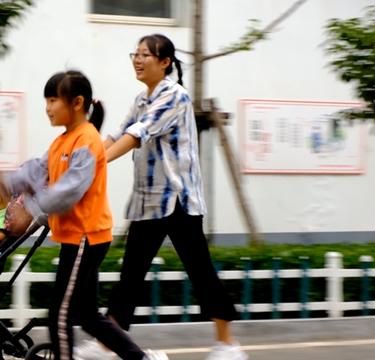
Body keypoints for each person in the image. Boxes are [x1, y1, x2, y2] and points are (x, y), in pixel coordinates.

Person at [75, 34, 248, 360]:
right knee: (130, 274)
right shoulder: (141, 99)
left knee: (201, 272)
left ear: (165, 61)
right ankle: (106, 344)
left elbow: (137, 134)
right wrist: (85, 158)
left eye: (145, 55)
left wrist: (96, 163)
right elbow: (115, 134)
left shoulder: (176, 96)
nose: (137, 60)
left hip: (177, 201)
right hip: (148, 202)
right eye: (135, 54)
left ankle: (228, 344)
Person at [1, 70, 166, 360]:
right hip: (78, 237)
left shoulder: (87, 141)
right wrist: (6, 181)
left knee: (59, 317)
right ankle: (139, 358)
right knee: (87, 315)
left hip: (85, 237)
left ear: (77, 102)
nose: (48, 107)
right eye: (46, 100)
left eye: (53, 100)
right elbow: (37, 171)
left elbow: (69, 190)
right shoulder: (62, 141)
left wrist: (32, 209)